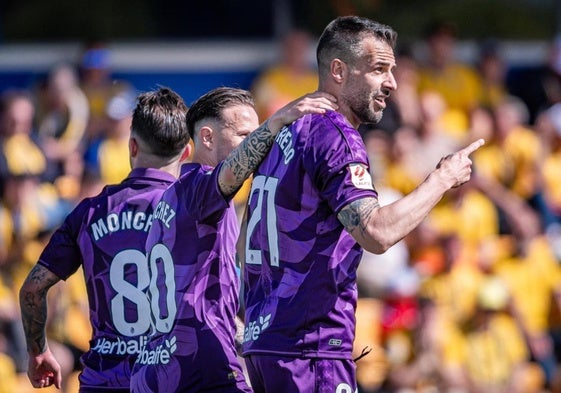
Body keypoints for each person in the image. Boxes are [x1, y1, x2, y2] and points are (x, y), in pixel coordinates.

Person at [240, 15, 484, 392]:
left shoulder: (283, 133)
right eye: (379, 69)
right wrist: (443, 178)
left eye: (393, 70)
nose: (392, 83)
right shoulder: (336, 135)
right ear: (339, 70)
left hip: (265, 345)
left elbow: (243, 245)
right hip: (311, 351)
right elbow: (377, 233)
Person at [129, 87, 337, 393]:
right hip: (202, 366)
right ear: (207, 138)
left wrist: (253, 338)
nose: (259, 144)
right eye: (244, 135)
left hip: (155, 366)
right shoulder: (200, 188)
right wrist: (277, 121)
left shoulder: (172, 197)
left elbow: (195, 303)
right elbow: (229, 174)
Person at [18, 87, 192, 392]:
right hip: (172, 379)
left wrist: (38, 352)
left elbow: (32, 289)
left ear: (132, 146)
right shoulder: (193, 210)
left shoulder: (89, 212)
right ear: (187, 153)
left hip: (105, 381)